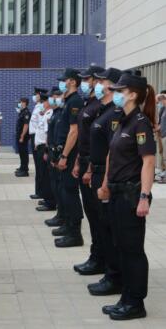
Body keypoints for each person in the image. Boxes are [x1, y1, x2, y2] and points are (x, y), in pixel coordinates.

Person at [98, 73, 156, 320]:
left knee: (133, 250)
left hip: (131, 194)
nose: (117, 93)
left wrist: (144, 196)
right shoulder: (124, 119)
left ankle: (136, 302)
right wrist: (106, 184)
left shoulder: (140, 122)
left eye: (121, 90)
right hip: (117, 192)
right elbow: (114, 156)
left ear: (133, 94)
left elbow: (149, 161)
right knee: (121, 246)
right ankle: (126, 296)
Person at [85, 67, 123, 296]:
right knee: (100, 225)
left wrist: (106, 182)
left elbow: (111, 151)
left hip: (107, 175)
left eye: (102, 80)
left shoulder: (115, 114)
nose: (97, 84)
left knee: (109, 229)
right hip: (97, 171)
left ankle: (114, 276)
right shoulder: (104, 110)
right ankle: (108, 270)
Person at [72, 65, 106, 275]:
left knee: (97, 215)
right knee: (92, 214)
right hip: (84, 160)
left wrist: (90, 169)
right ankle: (96, 255)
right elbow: (85, 139)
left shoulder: (98, 106)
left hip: (93, 165)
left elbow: (99, 144)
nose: (84, 82)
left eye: (88, 79)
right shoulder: (89, 104)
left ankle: (100, 258)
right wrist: (78, 162)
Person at [53, 68, 84, 248]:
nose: (62, 83)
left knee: (70, 191)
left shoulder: (75, 101)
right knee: (65, 190)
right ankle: (68, 226)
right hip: (64, 152)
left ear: (72, 81)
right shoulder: (68, 100)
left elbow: (74, 131)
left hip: (70, 154)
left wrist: (64, 156)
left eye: (64, 80)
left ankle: (75, 233)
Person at [44, 87, 65, 226]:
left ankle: (63, 215)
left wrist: (58, 156)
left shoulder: (61, 113)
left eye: (54, 96)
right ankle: (60, 214)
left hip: (58, 155)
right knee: (55, 185)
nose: (51, 99)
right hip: (52, 153)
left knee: (61, 187)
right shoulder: (55, 113)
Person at [34, 92, 56, 212]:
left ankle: (50, 202)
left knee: (46, 176)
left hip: (44, 147)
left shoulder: (49, 114)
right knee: (43, 174)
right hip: (41, 146)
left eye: (44, 102)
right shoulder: (46, 114)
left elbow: (48, 134)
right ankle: (47, 198)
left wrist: (46, 150)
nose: (42, 104)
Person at [29, 88, 49, 198]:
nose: (34, 96)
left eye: (36, 95)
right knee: (38, 168)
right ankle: (39, 191)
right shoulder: (38, 107)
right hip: (36, 139)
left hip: (40, 141)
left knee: (41, 169)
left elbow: (40, 128)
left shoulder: (42, 109)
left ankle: (41, 192)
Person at [16, 98, 31, 177]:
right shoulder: (22, 112)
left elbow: (26, 125)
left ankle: (25, 170)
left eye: (21, 102)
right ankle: (22, 167)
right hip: (20, 135)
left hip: (23, 136)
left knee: (24, 153)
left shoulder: (26, 112)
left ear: (25, 103)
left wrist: (22, 136)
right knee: (21, 153)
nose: (20, 103)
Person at [155, 93, 166, 182]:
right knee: (163, 154)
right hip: (162, 135)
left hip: (165, 135)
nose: (160, 102)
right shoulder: (163, 109)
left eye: (161, 100)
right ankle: (164, 171)